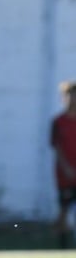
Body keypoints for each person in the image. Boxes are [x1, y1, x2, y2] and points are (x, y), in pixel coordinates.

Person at [52, 80, 76, 249]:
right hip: (65, 175)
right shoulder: (58, 122)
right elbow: (57, 147)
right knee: (64, 210)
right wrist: (67, 168)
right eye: (70, 96)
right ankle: (63, 248)